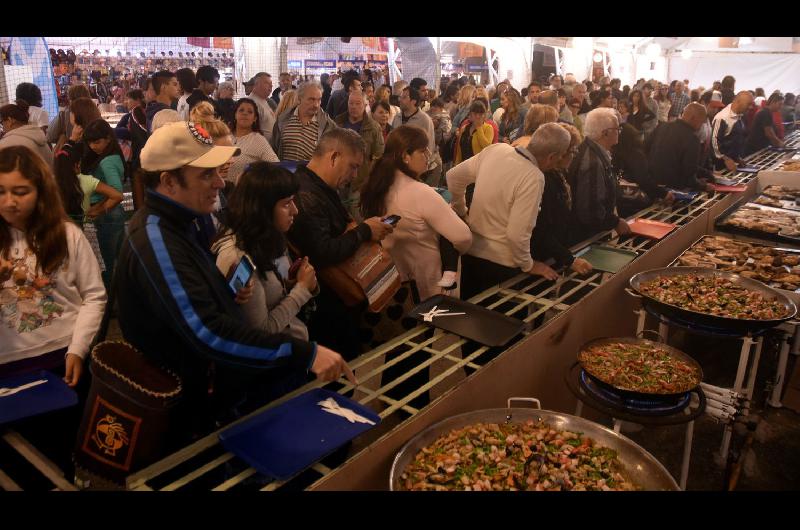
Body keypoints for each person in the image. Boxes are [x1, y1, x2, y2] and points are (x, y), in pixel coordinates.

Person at [115, 121, 354, 442]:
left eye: (217, 169)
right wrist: (304, 353)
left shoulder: (194, 217)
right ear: (168, 181)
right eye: (206, 174)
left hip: (212, 385)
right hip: (180, 397)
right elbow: (207, 332)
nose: (220, 181)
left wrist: (222, 288)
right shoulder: (155, 239)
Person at [0, 145, 106, 474]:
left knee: (60, 455)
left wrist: (78, 349)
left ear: (41, 191)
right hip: (8, 370)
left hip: (62, 363)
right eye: (0, 192)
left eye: (21, 191)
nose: (9, 202)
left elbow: (94, 296)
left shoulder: (67, 235)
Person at [360, 125, 472, 410]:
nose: (429, 156)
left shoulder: (378, 185)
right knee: (417, 357)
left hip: (394, 282)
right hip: (424, 284)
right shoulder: (420, 192)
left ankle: (392, 404)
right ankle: (410, 412)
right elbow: (462, 236)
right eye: (423, 151)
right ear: (405, 156)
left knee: (400, 350)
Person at [286, 128, 393, 358]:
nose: (355, 175)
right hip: (326, 307)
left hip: (334, 301)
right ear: (334, 157)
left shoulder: (317, 185)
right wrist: (364, 231)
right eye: (353, 166)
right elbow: (321, 252)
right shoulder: (305, 194)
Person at [447, 123, 572, 301]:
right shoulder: (534, 177)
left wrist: (462, 212)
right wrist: (528, 265)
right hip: (501, 268)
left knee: (468, 319)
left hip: (471, 256)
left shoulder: (496, 150)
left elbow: (453, 177)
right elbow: (516, 234)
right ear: (552, 157)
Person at [214, 163, 316, 340]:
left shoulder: (271, 236)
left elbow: (275, 293)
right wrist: (302, 290)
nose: (295, 210)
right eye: (286, 204)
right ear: (261, 209)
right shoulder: (238, 257)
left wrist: (293, 283)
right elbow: (260, 331)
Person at [530, 124, 592, 275]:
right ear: (559, 154)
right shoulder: (544, 180)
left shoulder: (558, 174)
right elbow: (541, 229)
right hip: (542, 256)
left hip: (554, 250)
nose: (575, 154)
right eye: (572, 151)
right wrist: (569, 259)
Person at [567, 108, 631, 245]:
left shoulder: (591, 150)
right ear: (605, 133)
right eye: (617, 128)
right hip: (587, 237)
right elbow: (591, 210)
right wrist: (616, 222)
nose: (619, 131)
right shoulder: (592, 162)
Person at [80, 119, 126, 288]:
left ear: (108, 138)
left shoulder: (107, 161)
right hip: (113, 215)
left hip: (109, 216)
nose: (93, 146)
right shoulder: (112, 155)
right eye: (90, 142)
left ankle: (108, 300)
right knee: (121, 258)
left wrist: (98, 210)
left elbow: (117, 193)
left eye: (97, 142)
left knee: (106, 263)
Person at [334, 89, 384, 218]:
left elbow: (378, 155)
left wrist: (369, 179)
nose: (353, 107)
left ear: (365, 105)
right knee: (339, 216)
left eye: (358, 103)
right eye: (351, 103)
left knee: (358, 217)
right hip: (338, 180)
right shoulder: (337, 123)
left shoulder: (373, 127)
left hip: (360, 181)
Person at [647, 102, 713, 192]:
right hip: (674, 190)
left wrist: (705, 173)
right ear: (693, 118)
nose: (701, 126)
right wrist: (704, 186)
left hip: (652, 184)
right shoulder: (692, 139)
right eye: (701, 122)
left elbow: (646, 148)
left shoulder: (662, 126)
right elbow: (689, 176)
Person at [54, 147, 122, 227]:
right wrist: (99, 209)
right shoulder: (86, 180)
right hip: (81, 228)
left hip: (56, 229)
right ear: (77, 165)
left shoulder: (49, 182)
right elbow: (118, 196)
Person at [613, 123, 672, 214]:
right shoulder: (636, 155)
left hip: (619, 201)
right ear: (633, 136)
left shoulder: (612, 154)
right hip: (637, 202)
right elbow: (644, 180)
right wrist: (663, 193)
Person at [272, 82, 337, 162]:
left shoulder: (328, 125)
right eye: (311, 99)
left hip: (311, 173)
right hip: (285, 173)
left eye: (319, 100)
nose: (316, 105)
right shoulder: (283, 120)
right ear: (299, 99)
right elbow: (274, 149)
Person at [228, 98, 279, 184]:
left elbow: (275, 166)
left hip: (243, 193)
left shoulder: (258, 140)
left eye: (250, 112)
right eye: (241, 110)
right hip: (219, 191)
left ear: (255, 118)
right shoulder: (225, 136)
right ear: (235, 115)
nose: (245, 113)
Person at [0, 102, 54, 168]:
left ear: (10, 120)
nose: (3, 127)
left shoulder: (9, 143)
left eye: (2, 123)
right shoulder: (37, 134)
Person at [391, 85, 436, 165]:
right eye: (400, 97)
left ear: (413, 101)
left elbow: (429, 144)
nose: (400, 100)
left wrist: (425, 163)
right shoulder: (397, 117)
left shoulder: (424, 119)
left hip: (416, 164)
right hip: (399, 162)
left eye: (404, 97)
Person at [711, 91, 754, 172]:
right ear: (738, 101)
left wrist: (737, 158)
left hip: (732, 163)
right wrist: (726, 159)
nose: (751, 107)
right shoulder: (722, 117)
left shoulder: (739, 115)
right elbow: (714, 141)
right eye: (748, 104)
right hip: (720, 165)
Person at [47, 84, 92, 150]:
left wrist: (63, 135)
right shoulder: (94, 112)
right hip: (92, 153)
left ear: (70, 99)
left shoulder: (64, 115)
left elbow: (50, 136)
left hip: (69, 153)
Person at [453, 100, 494, 164]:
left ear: (484, 115)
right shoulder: (464, 128)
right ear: (471, 114)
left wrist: (479, 127)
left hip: (479, 165)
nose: (477, 116)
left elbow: (487, 147)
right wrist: (456, 164)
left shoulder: (488, 128)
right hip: (464, 165)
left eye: (480, 114)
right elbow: (459, 150)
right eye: (475, 114)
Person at [248, 72, 278, 142]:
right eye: (267, 83)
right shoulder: (252, 102)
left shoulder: (263, 100)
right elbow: (251, 129)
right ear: (256, 84)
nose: (271, 86)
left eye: (271, 84)